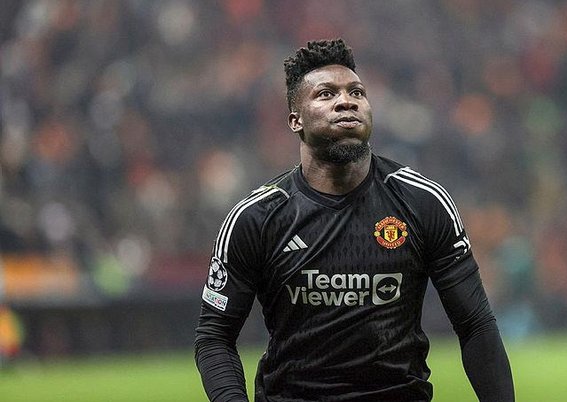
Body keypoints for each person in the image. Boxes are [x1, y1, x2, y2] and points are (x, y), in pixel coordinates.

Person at [194, 38, 514, 402]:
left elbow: (475, 325)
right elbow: (215, 337)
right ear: (296, 120)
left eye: (356, 92)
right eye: (326, 94)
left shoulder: (423, 202)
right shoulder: (257, 218)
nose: (346, 101)